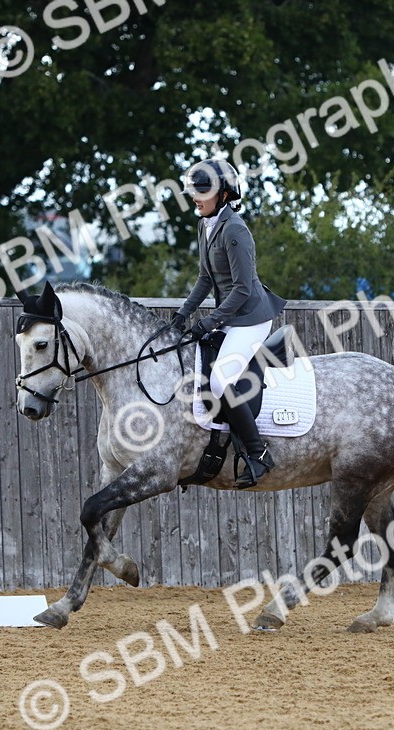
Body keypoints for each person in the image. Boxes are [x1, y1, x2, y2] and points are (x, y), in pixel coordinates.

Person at [171, 158, 287, 488]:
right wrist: (183, 313)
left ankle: (258, 453)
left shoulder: (235, 230)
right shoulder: (204, 225)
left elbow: (243, 288)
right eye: (194, 191)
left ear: (223, 195)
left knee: (221, 380)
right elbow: (205, 278)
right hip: (230, 316)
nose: (196, 197)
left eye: (202, 191)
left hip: (250, 318)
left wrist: (209, 322)